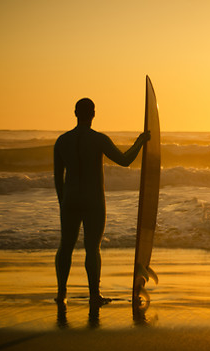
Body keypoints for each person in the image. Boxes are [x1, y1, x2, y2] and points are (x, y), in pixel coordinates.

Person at [54, 98, 150, 306]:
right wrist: (140, 142)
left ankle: (62, 293)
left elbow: (57, 178)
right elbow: (125, 161)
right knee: (92, 248)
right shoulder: (98, 139)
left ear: (75, 113)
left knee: (66, 246)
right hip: (93, 199)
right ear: (94, 114)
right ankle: (94, 295)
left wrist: (64, 201)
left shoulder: (62, 141)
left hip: (70, 198)